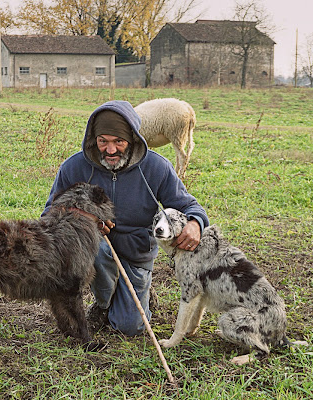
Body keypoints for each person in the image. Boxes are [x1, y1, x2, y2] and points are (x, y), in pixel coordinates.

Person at [43, 100, 209, 336]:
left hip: (136, 253)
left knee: (129, 327)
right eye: (103, 141)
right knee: (94, 245)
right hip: (96, 254)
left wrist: (195, 223)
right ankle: (102, 304)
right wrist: (82, 218)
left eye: (118, 142)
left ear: (133, 138)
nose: (110, 151)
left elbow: (189, 205)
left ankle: (139, 292)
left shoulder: (156, 167)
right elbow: (49, 214)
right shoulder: (74, 167)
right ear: (94, 139)